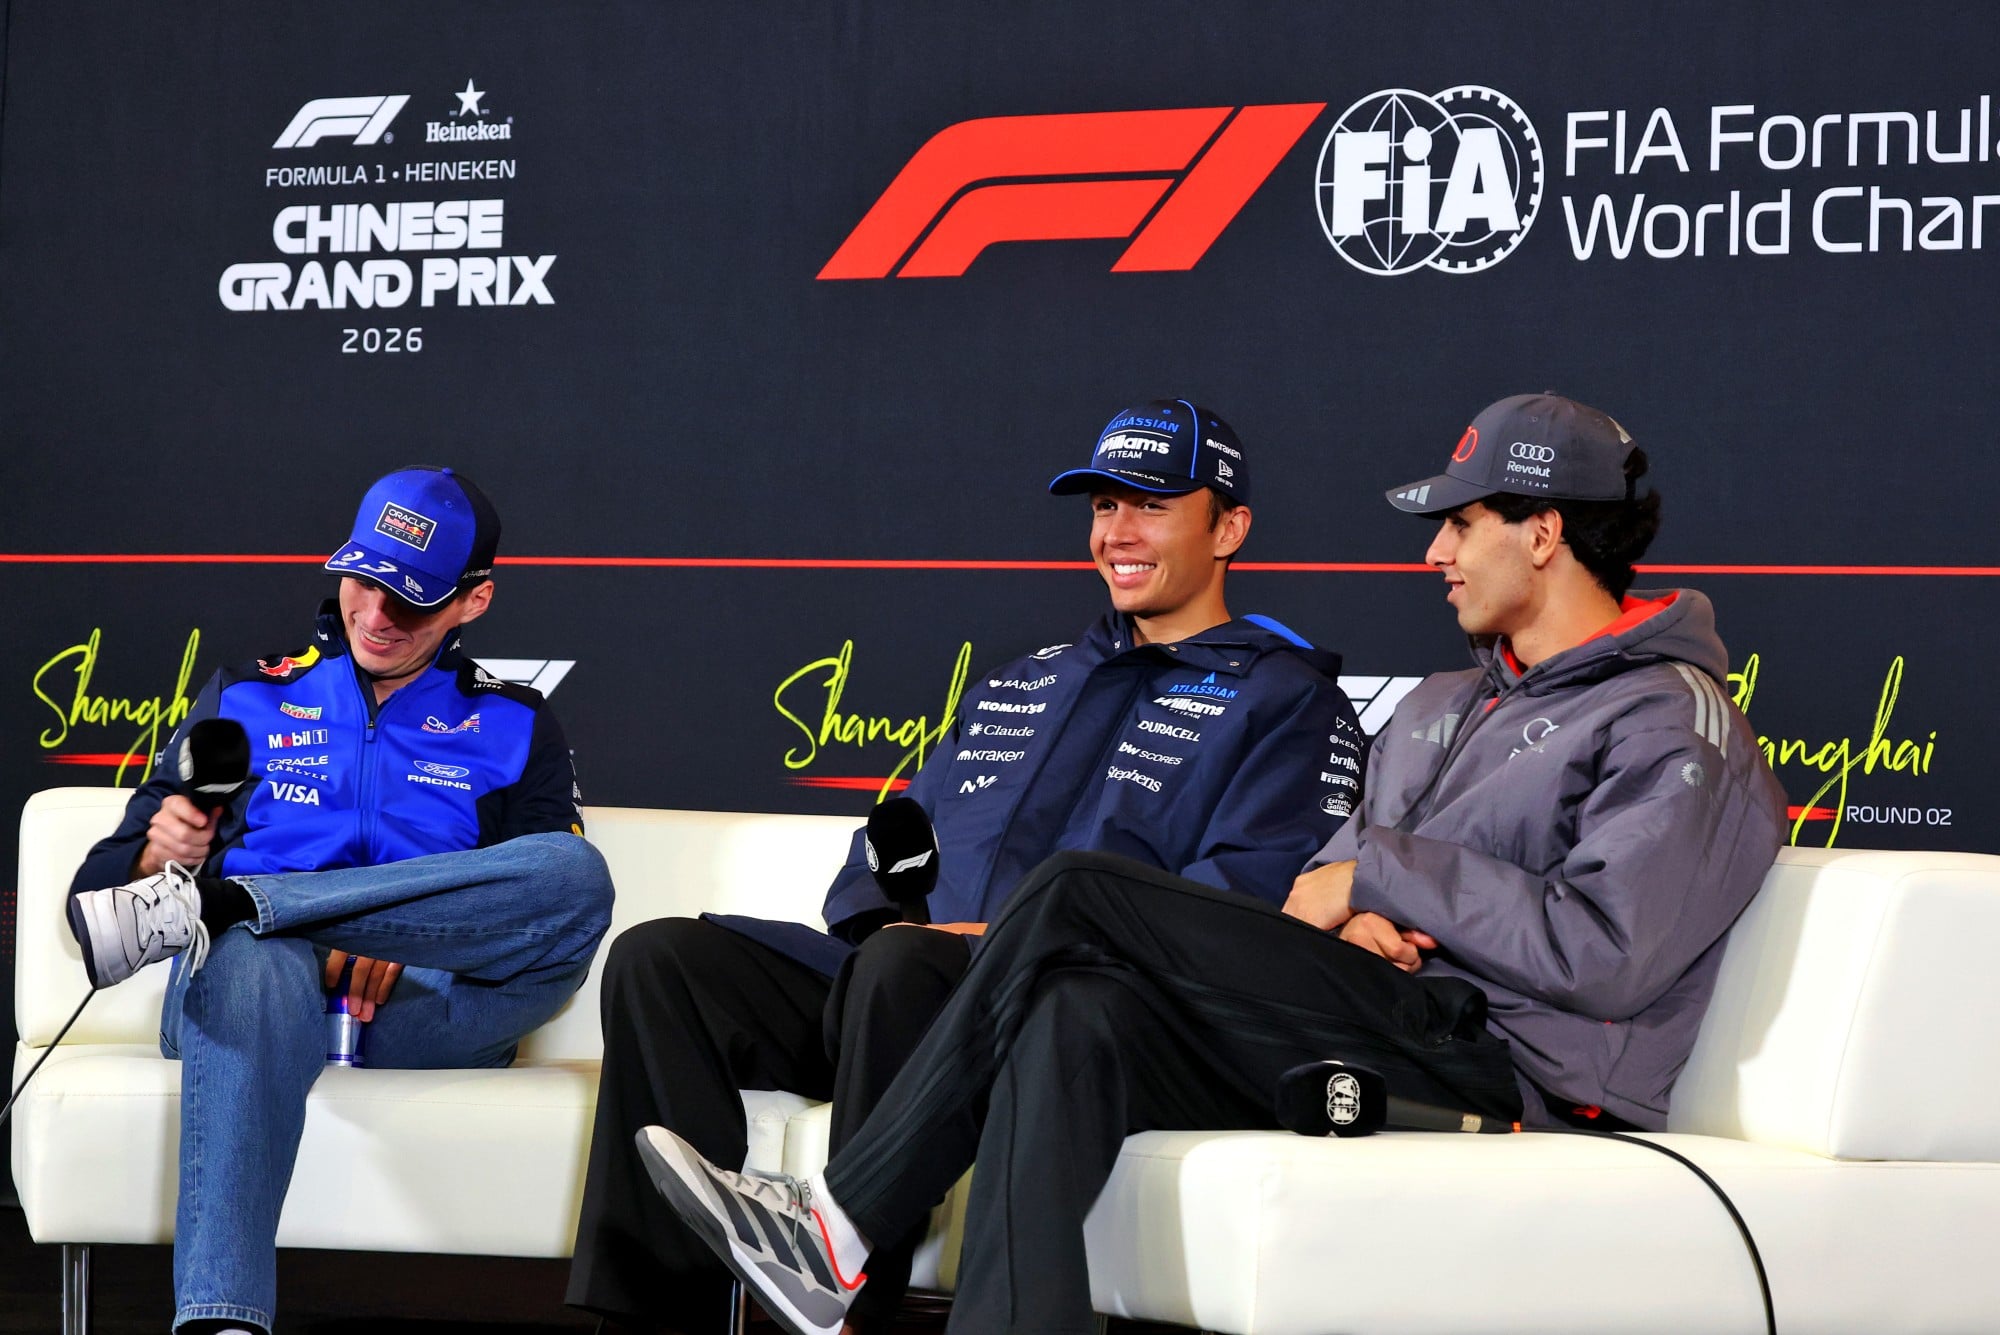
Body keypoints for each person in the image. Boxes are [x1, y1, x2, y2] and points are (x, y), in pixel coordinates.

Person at [636, 392, 1790, 1335]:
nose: (1434, 552)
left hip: (1506, 1068)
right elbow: (1320, 882)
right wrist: (1354, 905)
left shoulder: (1670, 716)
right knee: (1073, 1013)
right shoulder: (1443, 702)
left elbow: (1609, 954)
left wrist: (1381, 882)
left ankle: (837, 1227)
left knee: (1077, 890)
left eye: (1460, 523)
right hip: (1373, 1005)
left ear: (1540, 531)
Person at [567, 400, 1365, 1332]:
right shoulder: (1029, 677)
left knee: (907, 965)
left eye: (1152, 506)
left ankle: (846, 1301)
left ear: (1228, 529)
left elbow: (1240, 905)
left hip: (1055, 1009)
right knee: (663, 962)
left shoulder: (1286, 698)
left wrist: (985, 941)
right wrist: (887, 917)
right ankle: (658, 1315)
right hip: (900, 987)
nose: (1117, 533)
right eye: (1104, 507)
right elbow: (886, 846)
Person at [66, 466, 614, 1335]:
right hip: (250, 991)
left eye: (412, 599)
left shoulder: (516, 722)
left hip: (427, 1005)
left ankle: (246, 901)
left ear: (473, 600)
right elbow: (97, 904)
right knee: (251, 954)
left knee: (576, 876)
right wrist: (153, 853)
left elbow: (539, 902)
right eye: (363, 579)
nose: (376, 614)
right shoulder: (247, 696)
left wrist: (400, 928)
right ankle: (221, 1321)